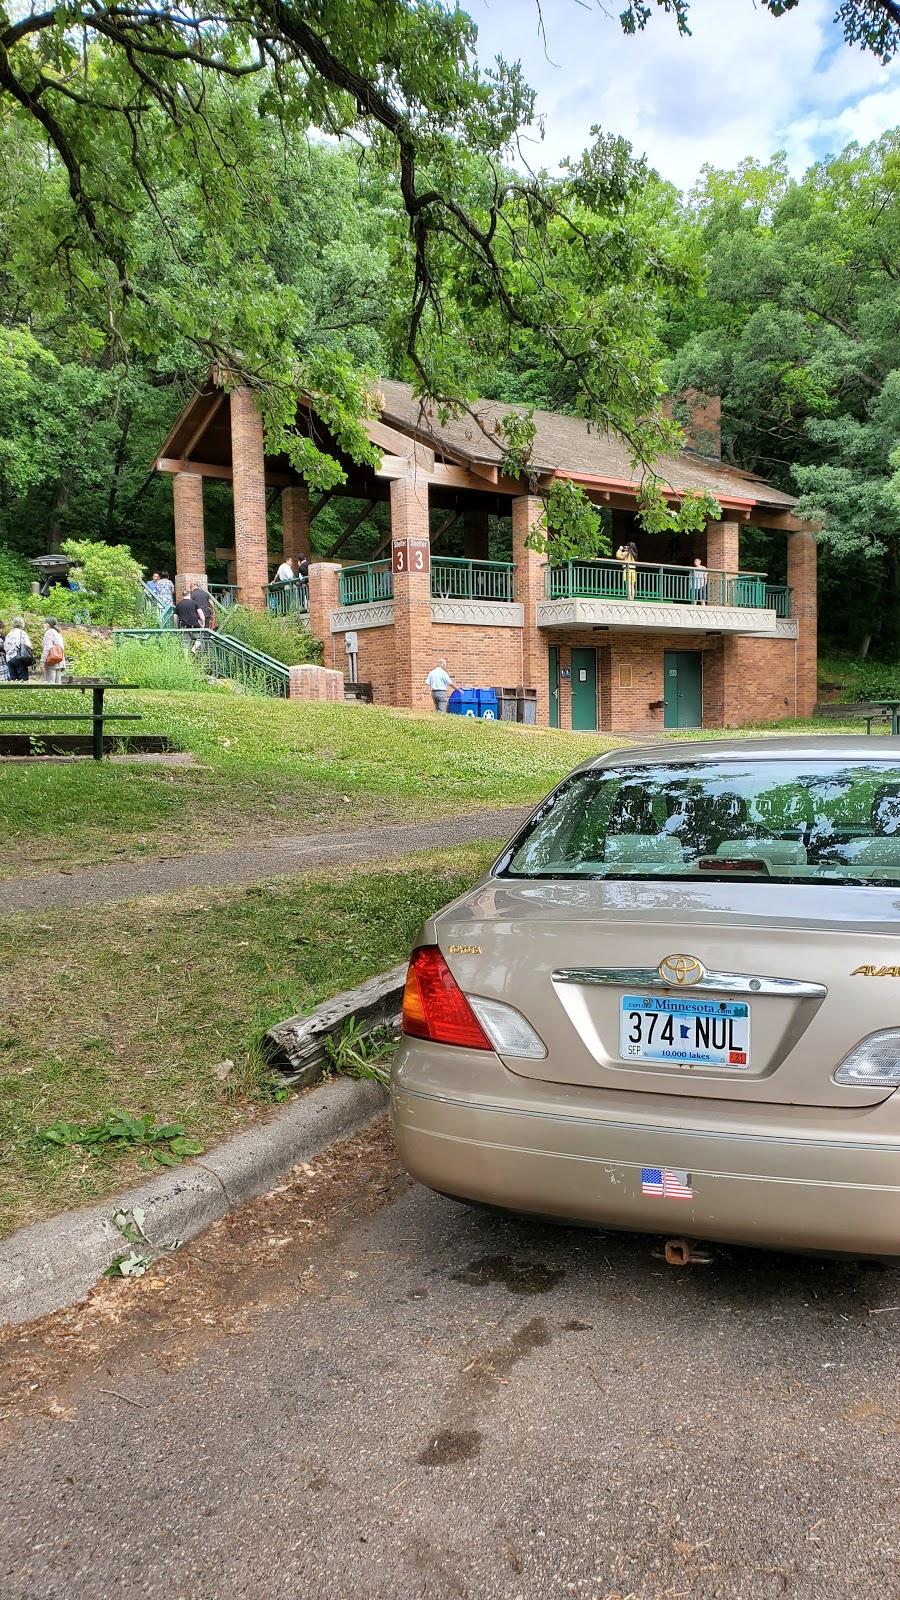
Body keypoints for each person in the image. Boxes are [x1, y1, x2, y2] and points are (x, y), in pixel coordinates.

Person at [41, 618, 66, 684]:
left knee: (50, 684)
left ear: (47, 624)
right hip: (59, 661)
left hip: (51, 661)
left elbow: (47, 648)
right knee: (58, 686)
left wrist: (42, 661)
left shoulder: (49, 633)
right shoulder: (58, 634)